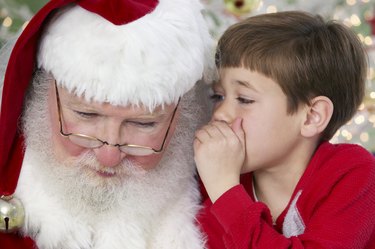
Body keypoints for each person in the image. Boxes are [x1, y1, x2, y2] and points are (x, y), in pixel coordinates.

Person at [0, 0, 214, 248]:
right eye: (86, 115)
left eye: (143, 124)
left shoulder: (222, 205)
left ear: (182, 118)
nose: (109, 156)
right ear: (38, 99)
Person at [195, 10, 375, 248]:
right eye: (218, 95)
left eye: (245, 99)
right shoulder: (211, 179)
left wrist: (225, 191)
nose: (220, 113)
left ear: (311, 116)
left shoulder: (352, 175)